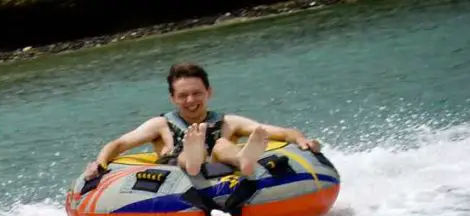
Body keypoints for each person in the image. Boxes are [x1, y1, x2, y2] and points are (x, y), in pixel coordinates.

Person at [84, 62, 321, 180]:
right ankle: (194, 155)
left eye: (197, 93)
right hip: (179, 173)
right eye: (182, 95)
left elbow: (282, 133)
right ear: (173, 98)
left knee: (221, 145)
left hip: (220, 171)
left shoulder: (228, 122)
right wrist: (100, 163)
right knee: (188, 154)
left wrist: (301, 140)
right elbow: (117, 145)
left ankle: (244, 161)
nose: (190, 100)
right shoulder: (161, 125)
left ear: (209, 92)